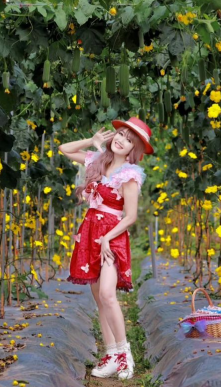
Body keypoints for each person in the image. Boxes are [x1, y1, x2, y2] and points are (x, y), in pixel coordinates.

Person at [59, 117, 154, 380]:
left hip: (111, 236)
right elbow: (65, 149)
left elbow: (130, 216)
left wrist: (106, 238)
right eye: (121, 134)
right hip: (90, 232)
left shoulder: (130, 175)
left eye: (129, 139)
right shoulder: (98, 162)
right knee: (99, 299)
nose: (122, 139)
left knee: (108, 294)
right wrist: (92, 141)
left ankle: (125, 356)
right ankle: (111, 354)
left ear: (135, 148)